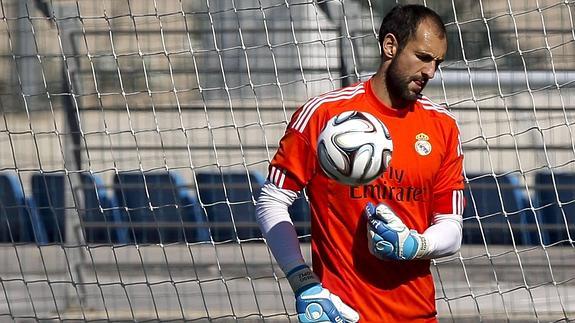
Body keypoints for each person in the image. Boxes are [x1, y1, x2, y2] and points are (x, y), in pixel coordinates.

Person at [256, 4, 464, 322]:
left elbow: (451, 227)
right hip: (341, 314)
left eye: (437, 62)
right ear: (390, 46)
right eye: (423, 57)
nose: (430, 72)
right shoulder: (324, 115)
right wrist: (303, 283)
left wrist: (416, 244)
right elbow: (272, 200)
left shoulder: (443, 126)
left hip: (418, 314)